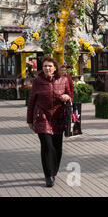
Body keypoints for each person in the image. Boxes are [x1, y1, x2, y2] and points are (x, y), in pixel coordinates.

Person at [27, 56, 73, 188]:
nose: (47, 68)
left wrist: (67, 97)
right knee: (47, 146)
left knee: (57, 147)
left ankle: (53, 172)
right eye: (45, 66)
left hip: (58, 117)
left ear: (55, 68)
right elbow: (31, 101)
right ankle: (48, 176)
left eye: (49, 66)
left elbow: (71, 96)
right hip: (42, 117)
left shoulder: (64, 80)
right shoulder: (37, 81)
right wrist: (30, 120)